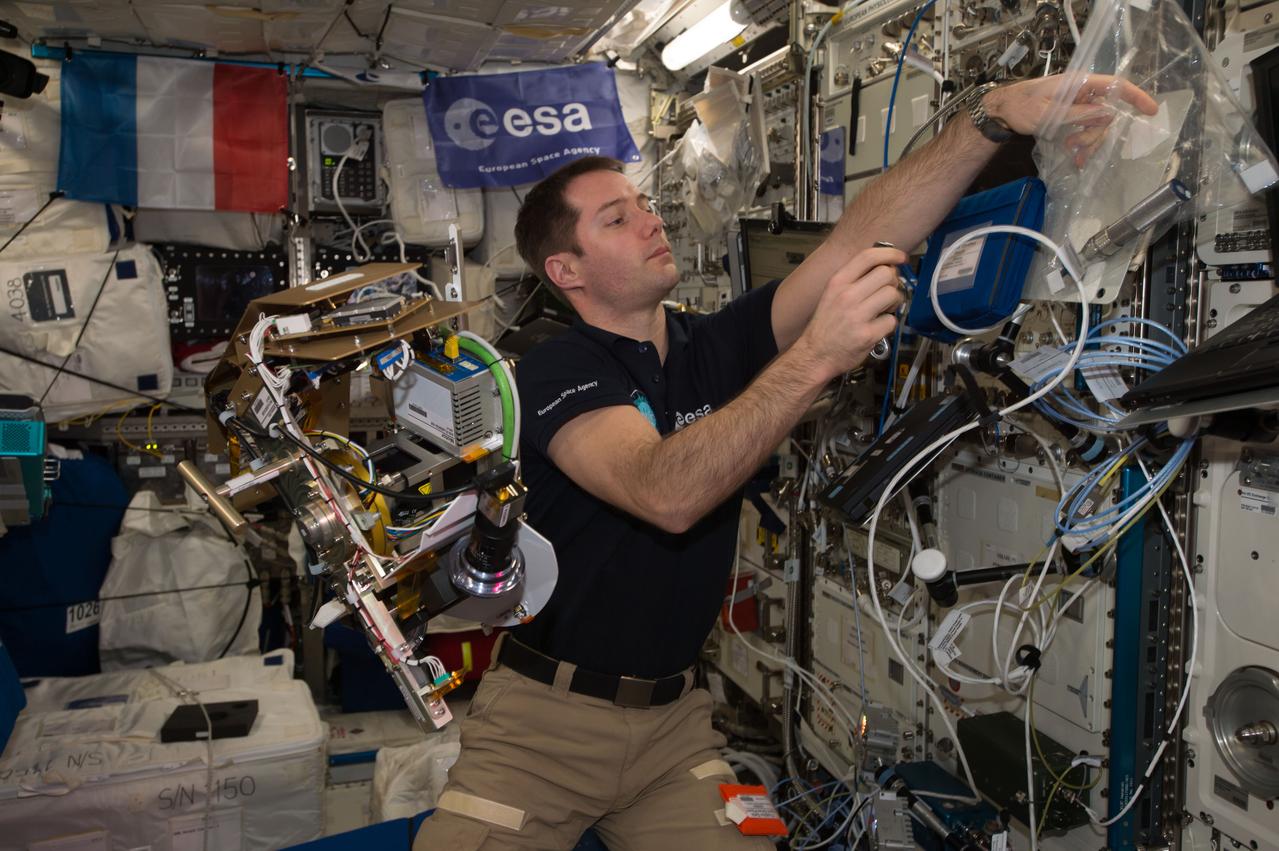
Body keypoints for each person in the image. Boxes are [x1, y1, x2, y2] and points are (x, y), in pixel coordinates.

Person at [415, 74, 1156, 850]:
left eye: (642, 204)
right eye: (616, 218)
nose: (649, 220)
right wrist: (815, 356)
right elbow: (663, 491)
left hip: (672, 725)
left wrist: (990, 117)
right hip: (543, 726)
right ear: (566, 270)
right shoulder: (551, 368)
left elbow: (856, 243)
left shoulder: (709, 345)